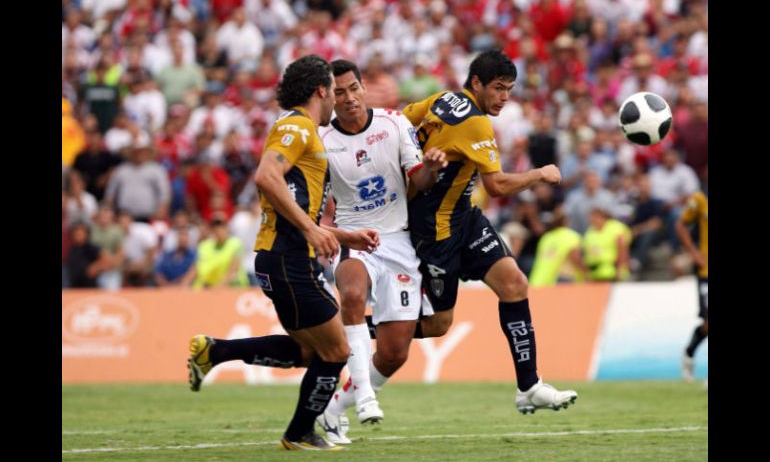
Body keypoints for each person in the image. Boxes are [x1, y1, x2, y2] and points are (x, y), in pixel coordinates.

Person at [186, 55, 380, 451]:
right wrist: (312, 229)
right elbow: (266, 176)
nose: (338, 101)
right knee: (338, 349)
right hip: (289, 259)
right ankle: (299, 433)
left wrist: (343, 236)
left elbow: (291, 203)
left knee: (312, 351)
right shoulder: (296, 126)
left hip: (285, 256)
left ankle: (216, 351)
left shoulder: (302, 129)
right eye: (334, 91)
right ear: (321, 90)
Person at [399, 49, 578, 414]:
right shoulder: (476, 122)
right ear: (476, 83)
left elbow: (400, 121)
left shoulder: (441, 99)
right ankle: (359, 328)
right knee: (437, 324)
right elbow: (495, 185)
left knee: (514, 283)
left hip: (464, 217)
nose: (504, 97)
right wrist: (539, 174)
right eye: (498, 88)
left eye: (509, 90)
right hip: (437, 229)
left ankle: (529, 386)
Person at [315, 60, 447, 443]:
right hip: (356, 238)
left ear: (363, 87)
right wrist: (334, 236)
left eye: (354, 88)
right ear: (329, 97)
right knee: (352, 295)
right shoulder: (321, 140)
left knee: (394, 354)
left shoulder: (393, 123)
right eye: (340, 92)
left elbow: (417, 180)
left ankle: (333, 409)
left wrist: (433, 168)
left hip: (399, 241)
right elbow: (314, 203)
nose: (350, 97)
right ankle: (366, 397)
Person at [676, 181, 708, 383]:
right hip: (706, 269)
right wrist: (694, 253)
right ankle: (689, 352)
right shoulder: (700, 199)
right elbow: (680, 225)